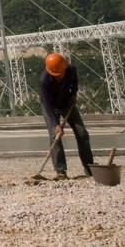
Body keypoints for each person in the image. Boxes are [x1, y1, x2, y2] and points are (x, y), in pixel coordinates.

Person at [40, 52, 95, 180]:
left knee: (82, 133)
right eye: (58, 75)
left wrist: (74, 94)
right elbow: (47, 104)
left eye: (62, 73)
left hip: (66, 103)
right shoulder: (44, 80)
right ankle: (61, 171)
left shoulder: (71, 69)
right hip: (51, 108)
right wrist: (55, 124)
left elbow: (75, 82)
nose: (61, 76)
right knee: (56, 137)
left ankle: (89, 166)